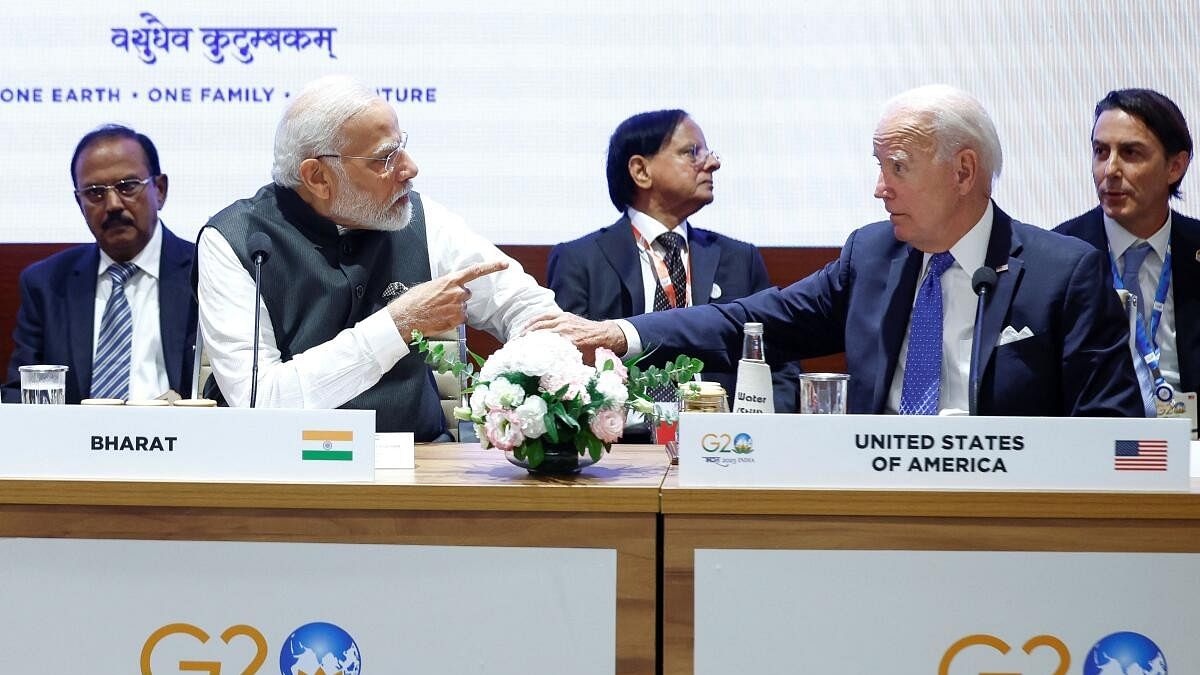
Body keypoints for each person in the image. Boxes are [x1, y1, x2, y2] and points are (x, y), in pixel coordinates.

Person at [530, 85, 1144, 416]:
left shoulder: (1063, 273)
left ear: (963, 171)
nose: (880, 189)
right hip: (869, 508)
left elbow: (1113, 433)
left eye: (896, 168)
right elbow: (754, 319)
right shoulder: (873, 255)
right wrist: (620, 333)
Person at [196, 75, 560, 440]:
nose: (410, 168)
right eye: (385, 158)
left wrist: (526, 381)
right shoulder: (235, 240)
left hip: (419, 468)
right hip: (285, 472)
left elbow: (525, 306)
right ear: (318, 177)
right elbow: (259, 403)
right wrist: (397, 325)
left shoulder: (419, 217)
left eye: (401, 147)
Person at [546, 109, 801, 415]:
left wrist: (762, 436)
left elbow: (780, 365)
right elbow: (566, 368)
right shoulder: (580, 260)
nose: (713, 162)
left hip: (727, 443)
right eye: (691, 152)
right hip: (621, 448)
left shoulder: (739, 259)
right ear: (641, 170)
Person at [2, 124, 196, 404]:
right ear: (79, 202)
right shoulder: (46, 284)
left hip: (180, 441)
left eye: (128, 186)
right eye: (95, 192)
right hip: (71, 444)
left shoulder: (203, 274)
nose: (113, 204)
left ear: (160, 190)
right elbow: (18, 394)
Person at [1055, 88, 1198, 410]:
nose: (1110, 170)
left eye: (1131, 153)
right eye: (1100, 152)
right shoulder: (1057, 255)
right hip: (1090, 442)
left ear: (1175, 166)